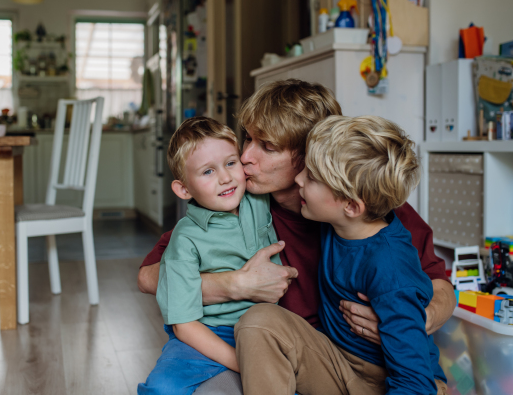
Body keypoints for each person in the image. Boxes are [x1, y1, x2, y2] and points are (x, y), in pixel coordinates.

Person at [138, 79, 456, 390]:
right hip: (294, 353)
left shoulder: (372, 211)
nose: (245, 156)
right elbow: (150, 277)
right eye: (247, 138)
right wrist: (235, 284)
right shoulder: (238, 201)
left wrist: (407, 323)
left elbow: (440, 285)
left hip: (377, 362)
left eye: (268, 146)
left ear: (309, 154)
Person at [234, 115, 448, 395]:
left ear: (351, 205)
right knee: (259, 322)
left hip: (389, 381)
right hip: (339, 361)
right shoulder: (337, 222)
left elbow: (414, 381)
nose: (297, 179)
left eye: (310, 177)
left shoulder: (390, 268)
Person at [137, 117, 283, 394]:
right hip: (206, 332)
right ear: (183, 189)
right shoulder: (185, 238)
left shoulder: (259, 199)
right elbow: (184, 326)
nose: (225, 177)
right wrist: (240, 362)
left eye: (230, 163)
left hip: (265, 328)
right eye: (207, 171)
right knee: (162, 388)